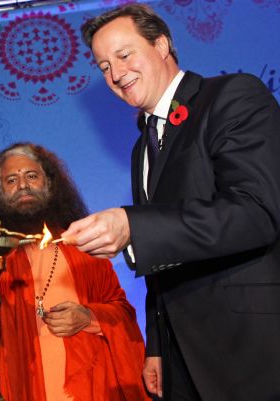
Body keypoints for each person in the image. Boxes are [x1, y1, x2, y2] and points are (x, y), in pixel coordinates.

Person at [63, 4, 280, 400]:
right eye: (104, 66)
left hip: (250, 346)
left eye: (124, 55)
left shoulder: (232, 96)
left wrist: (133, 226)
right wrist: (158, 346)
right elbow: (164, 260)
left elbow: (256, 212)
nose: (116, 74)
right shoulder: (141, 147)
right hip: (183, 357)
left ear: (161, 45)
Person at [0, 142, 148, 401]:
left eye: (32, 176)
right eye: (11, 180)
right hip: (24, 387)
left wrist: (88, 317)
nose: (23, 185)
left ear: (50, 184)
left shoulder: (82, 247)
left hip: (88, 390)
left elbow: (122, 312)